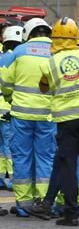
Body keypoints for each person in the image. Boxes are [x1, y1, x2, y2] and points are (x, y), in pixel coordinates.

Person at [37, 17, 79, 226]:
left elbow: (43, 87)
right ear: (76, 35)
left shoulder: (50, 63)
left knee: (68, 166)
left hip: (67, 121)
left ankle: (71, 214)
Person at [0, 18, 56, 217]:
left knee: (22, 157)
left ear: (27, 34)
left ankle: (24, 205)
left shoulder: (18, 52)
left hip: (21, 114)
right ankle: (44, 202)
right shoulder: (55, 51)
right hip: (48, 116)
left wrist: (9, 97)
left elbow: (5, 82)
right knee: (45, 158)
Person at [0, 26, 22, 192]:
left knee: (1, 148)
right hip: (9, 110)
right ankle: (14, 178)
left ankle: (1, 177)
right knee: (10, 147)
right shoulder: (16, 59)